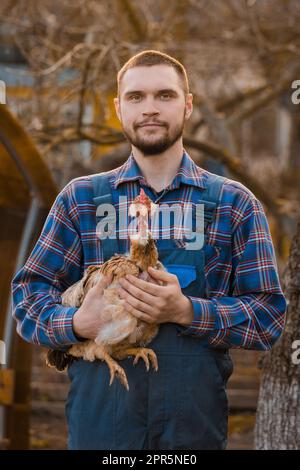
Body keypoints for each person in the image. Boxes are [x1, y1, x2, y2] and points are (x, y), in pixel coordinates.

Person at [12, 50, 287, 450]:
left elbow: (268, 316)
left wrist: (188, 311)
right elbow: (27, 296)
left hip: (191, 430)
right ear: (119, 107)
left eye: (165, 95)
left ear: (187, 105)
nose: (150, 109)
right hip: (101, 428)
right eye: (136, 97)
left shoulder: (233, 203)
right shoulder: (81, 199)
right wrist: (76, 323)